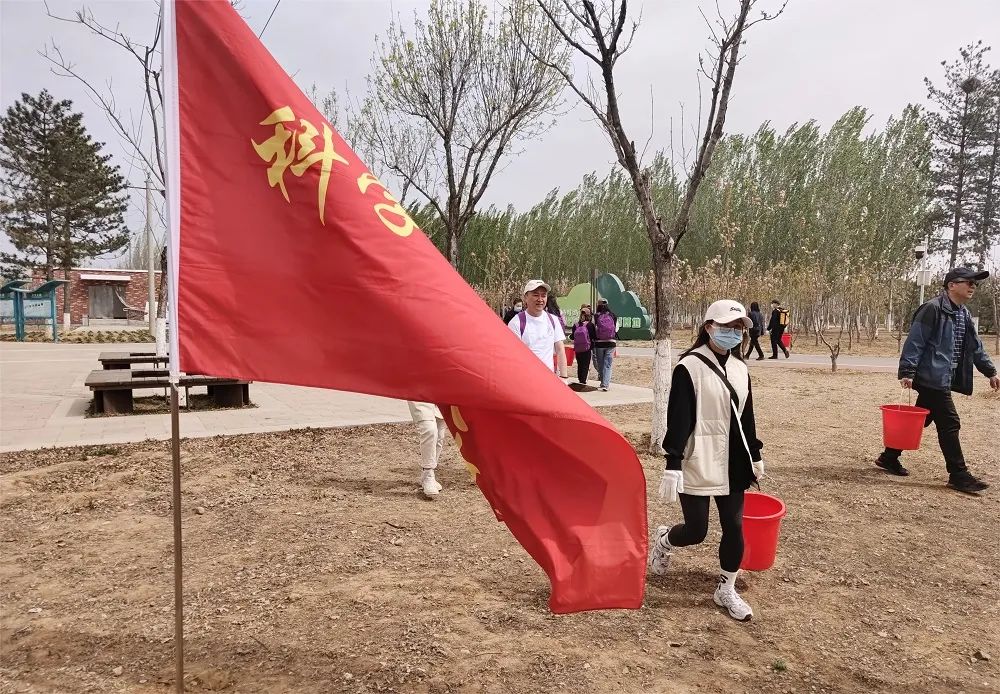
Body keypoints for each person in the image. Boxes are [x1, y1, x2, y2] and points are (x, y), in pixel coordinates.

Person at [648, 299, 764, 622]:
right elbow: (679, 418)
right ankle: (664, 539)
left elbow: (747, 417)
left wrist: (755, 454)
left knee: (734, 526)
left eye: (738, 328)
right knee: (697, 530)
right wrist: (673, 463)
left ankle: (726, 587)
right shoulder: (689, 367)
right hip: (697, 457)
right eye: (727, 327)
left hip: (733, 461)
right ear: (709, 328)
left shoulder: (741, 370)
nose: (734, 333)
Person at [876, 267, 999, 494]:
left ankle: (888, 456)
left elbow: (975, 347)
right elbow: (916, 341)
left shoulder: (962, 313)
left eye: (975, 284)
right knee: (950, 423)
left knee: (922, 418)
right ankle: (959, 475)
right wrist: (907, 371)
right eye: (968, 282)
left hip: (943, 376)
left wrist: (990, 371)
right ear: (952, 285)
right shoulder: (932, 309)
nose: (973, 287)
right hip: (929, 376)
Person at [508, 279, 565, 375]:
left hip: (548, 379)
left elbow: (560, 350)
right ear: (526, 297)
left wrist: (564, 377)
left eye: (543, 295)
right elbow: (512, 356)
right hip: (525, 380)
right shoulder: (516, 323)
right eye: (535, 295)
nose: (540, 299)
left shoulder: (553, 320)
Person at [407, 401, 448, 499]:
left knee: (439, 434)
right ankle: (428, 473)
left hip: (442, 392)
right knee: (429, 430)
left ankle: (428, 474)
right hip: (419, 389)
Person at [593, 298, 618, 391]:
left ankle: (603, 382)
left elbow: (593, 328)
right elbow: (616, 329)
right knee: (608, 364)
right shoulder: (613, 315)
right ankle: (605, 384)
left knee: (600, 364)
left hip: (599, 343)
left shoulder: (596, 316)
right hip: (611, 343)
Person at [571, 307, 598, 385]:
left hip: (577, 349)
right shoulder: (590, 325)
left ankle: (580, 379)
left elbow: (573, 337)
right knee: (585, 365)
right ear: (589, 315)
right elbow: (594, 336)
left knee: (580, 364)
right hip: (587, 349)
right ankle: (583, 381)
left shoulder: (575, 325)